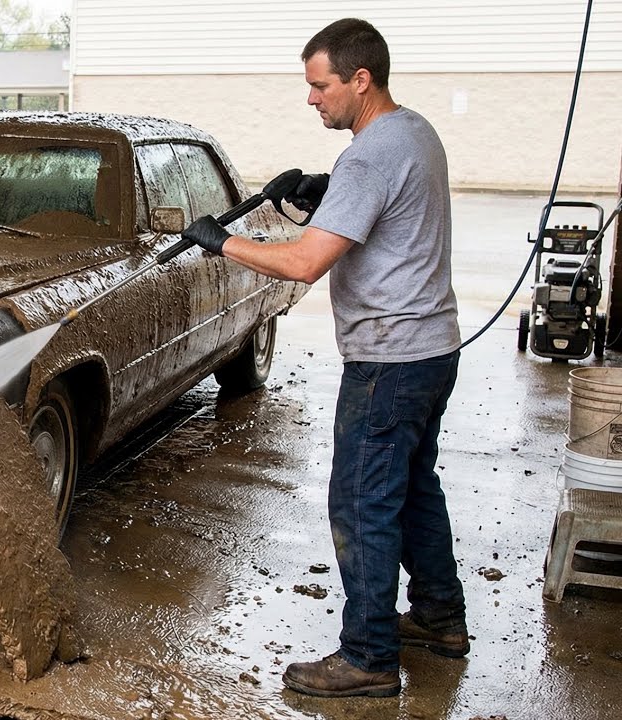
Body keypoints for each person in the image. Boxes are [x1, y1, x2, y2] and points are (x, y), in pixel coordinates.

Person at [183, 18, 468, 698]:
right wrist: (325, 191)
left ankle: (369, 657)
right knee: (414, 487)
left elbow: (307, 263)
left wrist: (221, 243)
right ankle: (438, 617)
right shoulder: (413, 131)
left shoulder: (368, 157)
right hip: (434, 350)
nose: (312, 98)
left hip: (389, 361)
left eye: (320, 86)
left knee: (361, 502)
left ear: (360, 79)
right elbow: (380, 212)